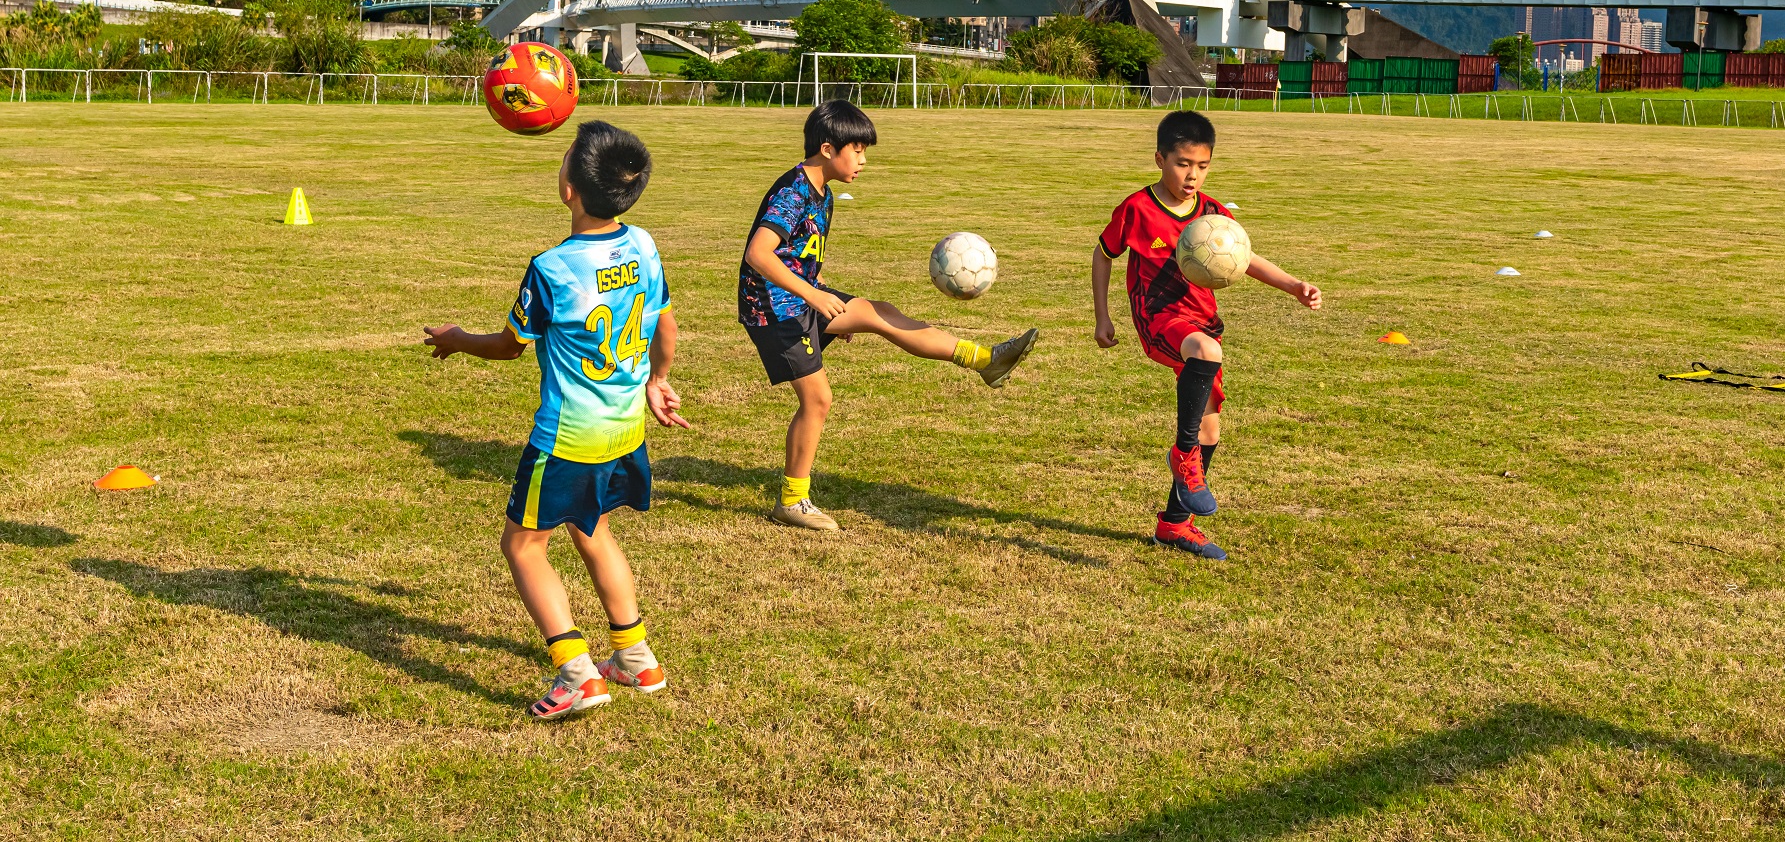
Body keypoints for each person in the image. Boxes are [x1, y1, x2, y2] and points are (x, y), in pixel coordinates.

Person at [422, 119, 689, 721]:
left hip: (568, 436)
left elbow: (511, 346)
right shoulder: (644, 244)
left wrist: (459, 338)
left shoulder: (551, 268)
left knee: (523, 545)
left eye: (565, 154)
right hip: (624, 430)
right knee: (590, 529)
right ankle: (636, 657)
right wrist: (657, 380)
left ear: (570, 187)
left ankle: (577, 675)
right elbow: (666, 327)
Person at [743, 99, 1037, 532]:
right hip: (772, 309)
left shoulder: (822, 191)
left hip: (802, 299)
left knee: (880, 313)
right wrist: (815, 298)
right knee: (818, 400)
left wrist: (821, 297)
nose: (863, 160)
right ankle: (792, 501)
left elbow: (803, 254)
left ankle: (985, 360)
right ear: (828, 148)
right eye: (857, 150)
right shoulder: (793, 191)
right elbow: (758, 254)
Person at [1092, 108, 1322, 561]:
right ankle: (1182, 454)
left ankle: (1174, 526)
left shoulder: (1214, 214)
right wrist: (1102, 316)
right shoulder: (1136, 209)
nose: (1193, 175)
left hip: (1201, 320)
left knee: (1210, 432)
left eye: (1202, 165)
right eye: (1183, 164)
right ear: (1160, 159)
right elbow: (1104, 255)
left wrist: (1294, 284)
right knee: (1205, 352)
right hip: (1158, 317)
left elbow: (1244, 258)